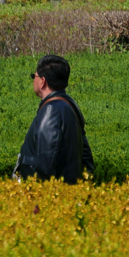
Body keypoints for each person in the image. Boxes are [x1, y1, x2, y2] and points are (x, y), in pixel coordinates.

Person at [13, 54, 95, 184]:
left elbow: (46, 163)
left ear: (42, 81)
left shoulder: (51, 111)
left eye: (34, 76)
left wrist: (40, 197)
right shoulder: (70, 105)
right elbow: (87, 161)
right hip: (68, 195)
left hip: (48, 197)